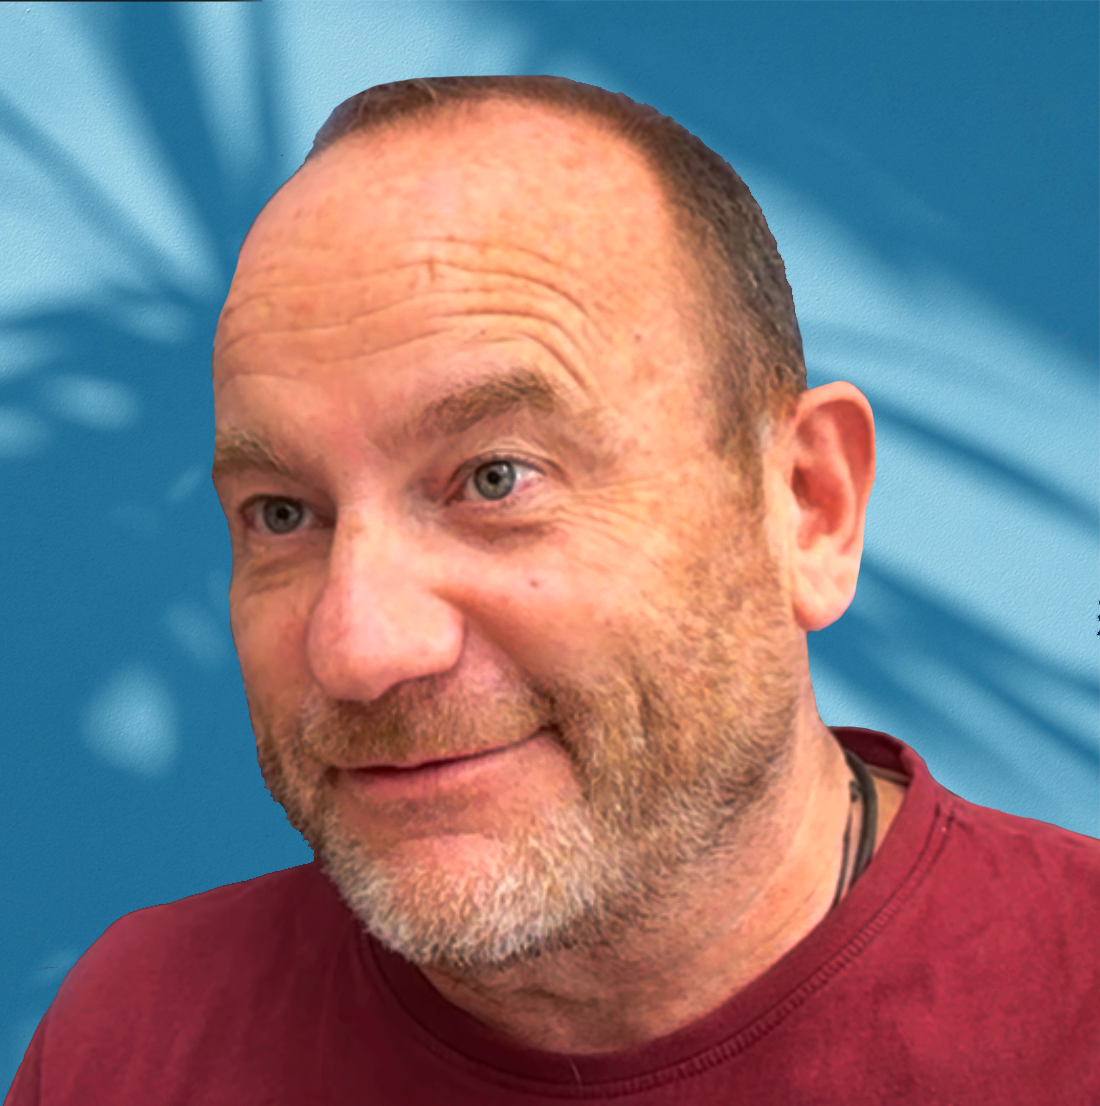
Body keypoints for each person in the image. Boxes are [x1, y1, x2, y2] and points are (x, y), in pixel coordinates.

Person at [6, 75, 1098, 1105]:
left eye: (496, 478)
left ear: (808, 505)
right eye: (282, 513)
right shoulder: (132, 1037)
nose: (359, 646)